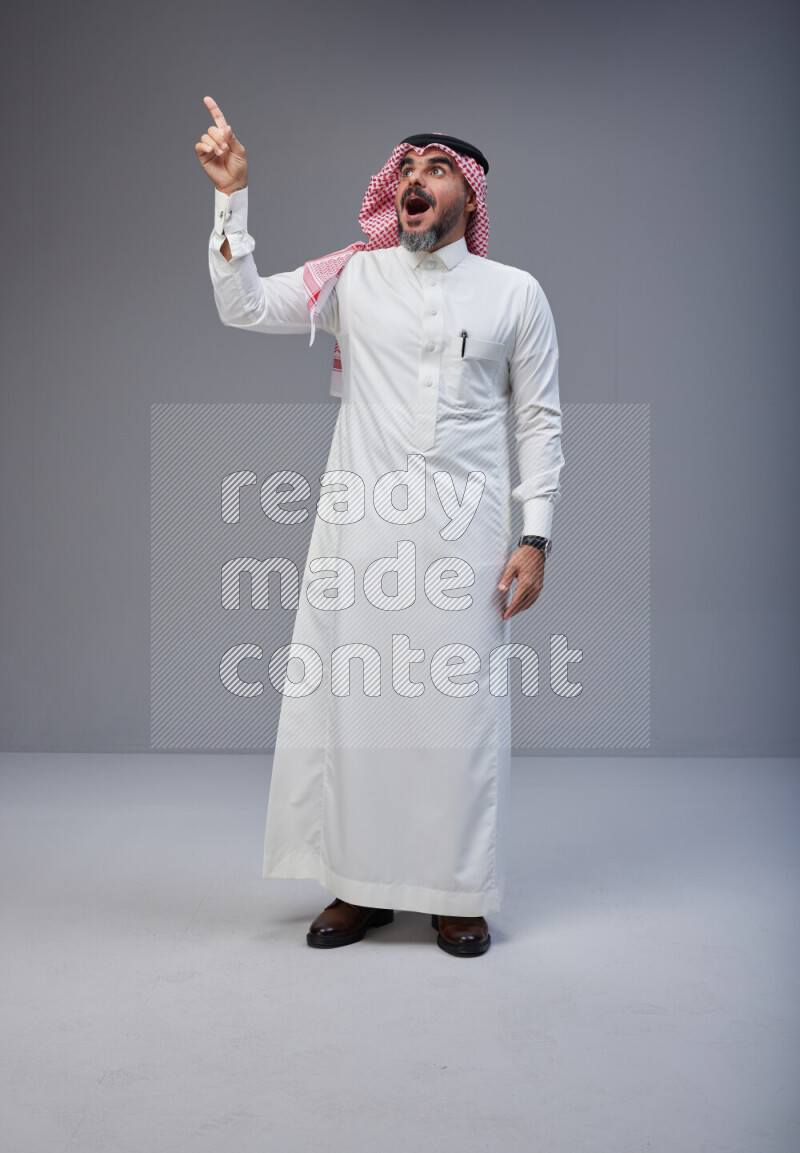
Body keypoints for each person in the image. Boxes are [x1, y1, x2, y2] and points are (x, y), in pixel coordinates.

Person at [196, 96, 564, 957]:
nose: (415, 181)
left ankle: (456, 891)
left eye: (436, 170)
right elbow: (244, 306)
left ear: (469, 196)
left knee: (457, 716)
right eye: (406, 169)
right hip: (360, 532)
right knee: (358, 709)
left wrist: (535, 535)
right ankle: (359, 886)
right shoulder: (351, 278)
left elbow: (539, 421)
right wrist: (232, 198)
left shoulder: (515, 293)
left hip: (469, 541)